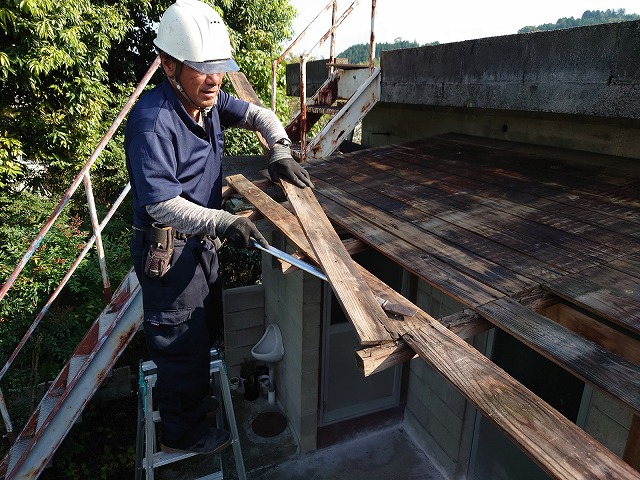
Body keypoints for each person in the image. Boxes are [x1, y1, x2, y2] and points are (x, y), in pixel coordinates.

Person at [124, 0, 312, 455]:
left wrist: (280, 151)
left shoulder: (205, 101)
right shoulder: (153, 122)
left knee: (205, 325)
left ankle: (194, 399)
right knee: (180, 342)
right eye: (201, 69)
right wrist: (226, 221)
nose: (214, 79)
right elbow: (163, 206)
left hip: (202, 244)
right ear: (169, 65)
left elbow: (259, 115)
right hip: (169, 252)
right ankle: (183, 432)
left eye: (219, 69)